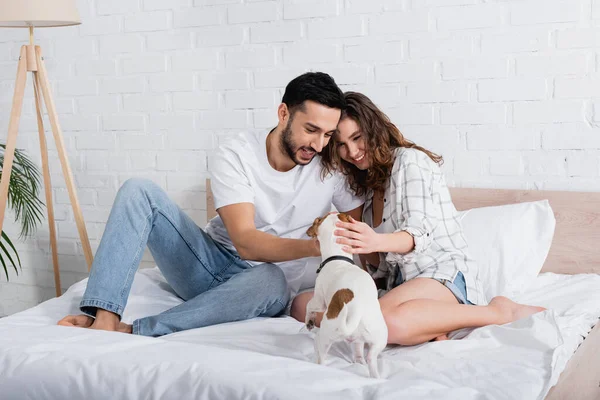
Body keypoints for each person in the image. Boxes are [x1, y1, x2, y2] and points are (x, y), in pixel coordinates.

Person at [57, 72, 363, 337]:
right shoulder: (237, 153)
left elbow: (360, 230)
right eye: (311, 130)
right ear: (283, 113)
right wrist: (316, 246)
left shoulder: (331, 168)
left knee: (272, 279)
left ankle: (141, 329)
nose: (319, 144)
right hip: (207, 266)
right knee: (139, 191)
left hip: (261, 288)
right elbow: (245, 242)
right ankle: (106, 319)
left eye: (328, 134)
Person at [290, 92, 545, 345]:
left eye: (358, 138)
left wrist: (374, 241)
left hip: (441, 274)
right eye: (342, 145)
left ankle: (497, 312)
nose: (353, 151)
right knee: (303, 305)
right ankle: (429, 327)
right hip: (398, 285)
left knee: (381, 321)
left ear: (374, 129)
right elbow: (380, 268)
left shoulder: (409, 162)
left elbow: (418, 235)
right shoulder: (365, 186)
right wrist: (351, 241)